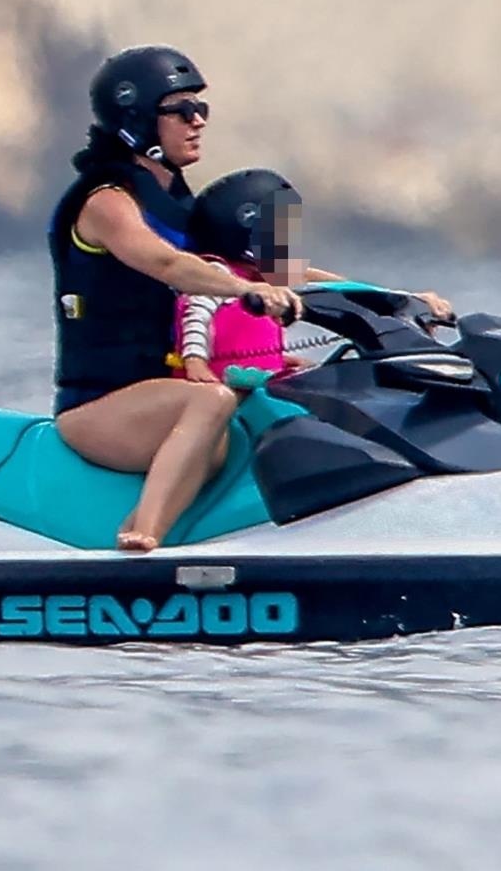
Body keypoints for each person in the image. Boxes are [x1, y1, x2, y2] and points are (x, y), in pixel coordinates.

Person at [50, 44, 454, 552]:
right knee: (212, 399)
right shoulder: (106, 202)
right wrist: (246, 290)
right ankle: (142, 533)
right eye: (182, 111)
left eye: (202, 109)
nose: (198, 122)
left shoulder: (176, 204)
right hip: (103, 408)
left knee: (315, 384)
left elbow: (278, 271)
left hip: (172, 395)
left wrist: (389, 299)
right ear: (137, 119)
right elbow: (168, 265)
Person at [171, 168, 311, 388]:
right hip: (220, 388)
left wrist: (279, 362)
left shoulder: (259, 282)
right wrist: (195, 361)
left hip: (254, 385)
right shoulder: (218, 275)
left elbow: (246, 342)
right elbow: (196, 317)